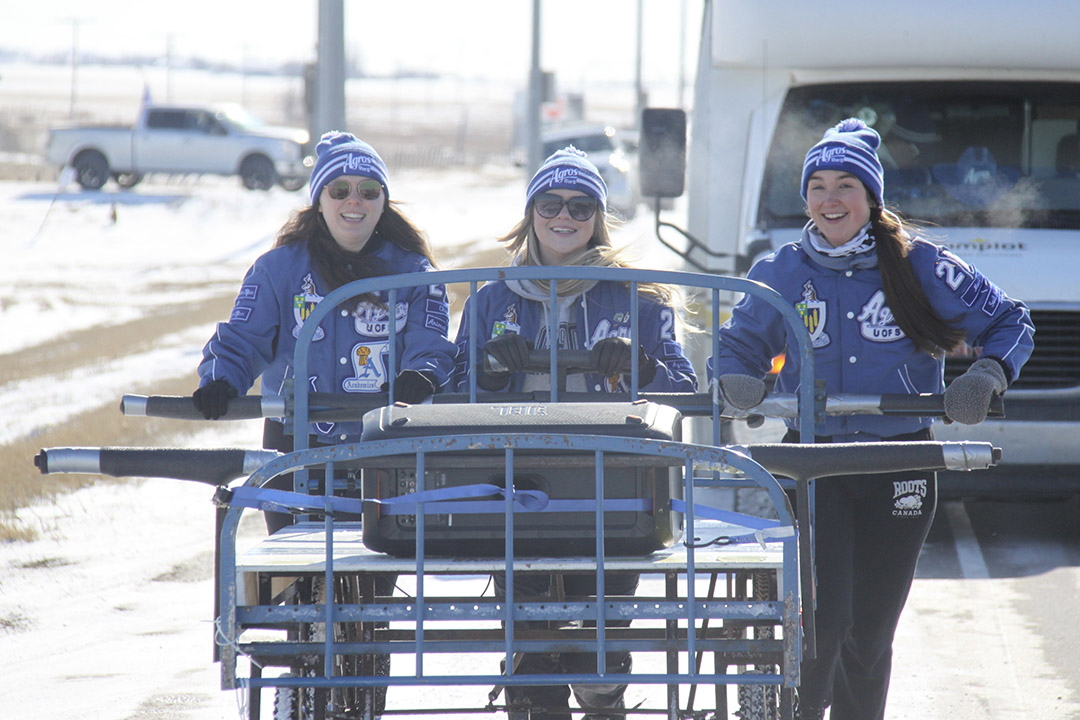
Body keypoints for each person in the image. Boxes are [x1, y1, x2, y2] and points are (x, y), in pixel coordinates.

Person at [708, 118, 1034, 720]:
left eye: (846, 186)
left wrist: (987, 376)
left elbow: (1012, 321)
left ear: (871, 197)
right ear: (805, 197)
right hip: (813, 463)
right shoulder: (778, 271)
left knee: (869, 638)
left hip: (899, 461)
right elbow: (735, 343)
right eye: (818, 187)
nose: (830, 199)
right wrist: (739, 378)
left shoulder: (921, 265)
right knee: (820, 628)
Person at [191, 131, 457, 718]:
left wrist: (421, 376)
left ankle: (365, 702)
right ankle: (304, 691)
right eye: (340, 189)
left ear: (384, 203)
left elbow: (434, 340)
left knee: (372, 600)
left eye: (368, 191)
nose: (353, 201)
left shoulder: (411, 271)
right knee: (303, 586)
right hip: (296, 449)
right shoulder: (280, 268)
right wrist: (221, 378)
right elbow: (242, 337)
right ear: (319, 199)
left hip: (381, 451)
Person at [453, 146, 698, 720]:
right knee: (532, 643)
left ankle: (603, 694)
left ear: (599, 217)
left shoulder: (640, 296)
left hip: (616, 485)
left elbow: (685, 387)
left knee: (602, 637)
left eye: (582, 205)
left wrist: (643, 368)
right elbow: (452, 388)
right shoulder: (490, 298)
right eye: (551, 203)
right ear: (531, 211)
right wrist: (488, 373)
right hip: (518, 484)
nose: (565, 216)